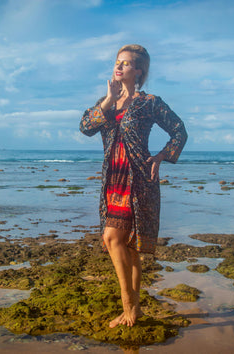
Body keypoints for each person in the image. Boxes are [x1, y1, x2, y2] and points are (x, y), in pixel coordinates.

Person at [80, 44, 187, 328]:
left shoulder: (149, 102)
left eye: (126, 63)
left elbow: (179, 130)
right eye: (117, 62)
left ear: (138, 71)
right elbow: (85, 126)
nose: (119, 67)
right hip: (112, 180)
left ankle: (128, 305)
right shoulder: (107, 101)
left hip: (137, 177)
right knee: (127, 246)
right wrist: (107, 101)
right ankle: (135, 310)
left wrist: (163, 156)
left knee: (112, 238)